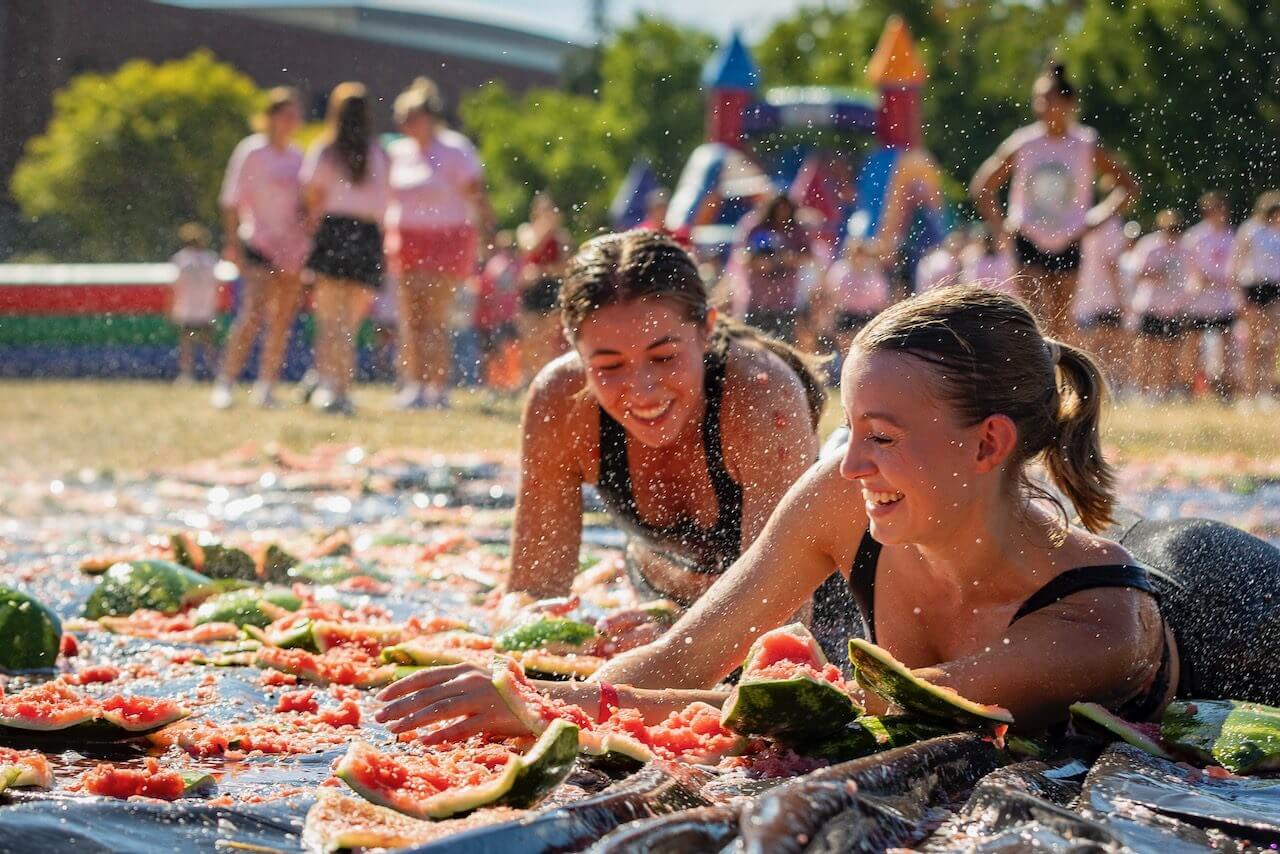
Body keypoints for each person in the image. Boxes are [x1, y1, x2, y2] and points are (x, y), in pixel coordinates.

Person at [377, 285, 1196, 737]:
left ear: (987, 446)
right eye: (849, 430)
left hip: (1209, 583)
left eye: (879, 435)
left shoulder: (1100, 625)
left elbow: (850, 710)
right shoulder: (844, 497)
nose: (848, 462)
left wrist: (567, 707)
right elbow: (680, 659)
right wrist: (534, 702)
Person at [498, 229, 839, 650]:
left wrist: (677, 636)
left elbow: (780, 621)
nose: (642, 390)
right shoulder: (561, 401)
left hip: (822, 615)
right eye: (608, 365)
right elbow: (533, 587)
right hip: (657, 605)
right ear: (576, 352)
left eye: (664, 358)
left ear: (706, 330)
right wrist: (529, 620)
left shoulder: (761, 395)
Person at [970, 61, 1139, 340]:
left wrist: (1096, 219)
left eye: (1047, 99)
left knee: (1061, 324)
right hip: (1028, 238)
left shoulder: (1086, 143)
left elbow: (1129, 186)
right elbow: (982, 187)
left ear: (1067, 102)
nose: (1040, 106)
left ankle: (1061, 380)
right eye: (1037, 99)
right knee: (1033, 322)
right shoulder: (1023, 142)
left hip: (1069, 239)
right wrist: (1000, 228)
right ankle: (1038, 381)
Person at [385, 78, 492, 410]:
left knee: (435, 318)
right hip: (406, 240)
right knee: (411, 317)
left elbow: (477, 195)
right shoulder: (397, 152)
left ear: (429, 117)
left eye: (411, 117)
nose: (405, 125)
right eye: (402, 119)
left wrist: (485, 238)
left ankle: (437, 386)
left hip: (447, 240)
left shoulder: (455, 149)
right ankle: (413, 383)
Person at [211, 87, 308, 409]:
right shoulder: (251, 152)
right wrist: (232, 244)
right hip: (258, 243)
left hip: (293, 249)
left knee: (282, 320)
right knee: (252, 314)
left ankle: (267, 386)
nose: (290, 121)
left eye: (294, 116)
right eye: (284, 114)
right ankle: (226, 381)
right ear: (269, 117)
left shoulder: (299, 158)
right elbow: (231, 200)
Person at [301, 82, 390, 415]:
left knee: (330, 320)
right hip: (367, 236)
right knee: (350, 323)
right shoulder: (379, 153)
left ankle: (329, 385)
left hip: (334, 231)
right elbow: (385, 201)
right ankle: (343, 387)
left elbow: (311, 195)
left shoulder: (325, 150)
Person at [1181, 192, 1238, 398]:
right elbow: (1188, 267)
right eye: (1215, 209)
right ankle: (1187, 385)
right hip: (1199, 300)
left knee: (1226, 343)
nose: (1220, 214)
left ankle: (1223, 385)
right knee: (1193, 343)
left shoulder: (1231, 235)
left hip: (1223, 300)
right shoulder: (1196, 236)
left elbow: (1235, 267)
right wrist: (1203, 280)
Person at [1128, 210, 1189, 399]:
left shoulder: (1184, 249)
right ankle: (1141, 389)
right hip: (1151, 305)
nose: (1174, 233)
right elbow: (1136, 274)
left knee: (1169, 351)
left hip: (1173, 307)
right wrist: (1157, 275)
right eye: (1170, 229)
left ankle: (1163, 391)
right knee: (1146, 349)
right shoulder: (1149, 246)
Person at [515, 193, 573, 385]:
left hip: (551, 287)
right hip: (532, 289)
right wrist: (546, 231)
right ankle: (528, 375)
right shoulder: (526, 230)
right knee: (530, 335)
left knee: (547, 337)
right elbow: (530, 249)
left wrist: (541, 271)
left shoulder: (561, 236)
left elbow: (565, 265)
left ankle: (542, 376)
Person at [736, 192, 808, 343]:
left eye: (786, 209)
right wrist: (760, 262)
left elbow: (808, 256)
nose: (782, 214)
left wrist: (789, 258)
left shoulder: (796, 231)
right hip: (758, 300)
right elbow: (742, 257)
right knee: (754, 346)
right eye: (779, 209)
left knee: (784, 347)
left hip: (784, 301)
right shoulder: (756, 227)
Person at [1230, 191, 1280, 403]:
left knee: (1271, 343)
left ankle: (1267, 390)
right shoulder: (1250, 230)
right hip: (1254, 287)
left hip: (1275, 287)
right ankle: (1249, 393)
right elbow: (1236, 265)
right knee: (1252, 343)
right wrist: (1238, 297)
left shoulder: (1277, 231)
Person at [1072, 213, 1131, 389]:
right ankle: (1108, 383)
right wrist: (1121, 299)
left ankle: (1093, 382)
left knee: (1092, 344)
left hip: (1086, 295)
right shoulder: (1112, 223)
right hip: (1107, 297)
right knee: (1111, 345)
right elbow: (1110, 264)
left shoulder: (1089, 217)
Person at [819, 236, 891, 363]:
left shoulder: (873, 272)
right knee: (845, 348)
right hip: (846, 314)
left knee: (865, 348)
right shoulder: (840, 270)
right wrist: (828, 317)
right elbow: (829, 295)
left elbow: (881, 299)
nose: (859, 258)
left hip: (867, 315)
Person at [169, 223, 221, 383]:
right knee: (208, 343)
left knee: (187, 344)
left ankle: (187, 374)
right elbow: (217, 285)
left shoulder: (180, 259)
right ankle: (216, 372)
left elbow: (174, 286)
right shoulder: (210, 258)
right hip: (204, 308)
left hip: (188, 308)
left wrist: (171, 307)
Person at [472, 230, 522, 392]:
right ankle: (502, 383)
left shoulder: (497, 263)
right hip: (499, 316)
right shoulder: (509, 263)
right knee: (498, 351)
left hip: (495, 316)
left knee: (496, 352)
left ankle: (501, 383)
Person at [959, 225, 1017, 297]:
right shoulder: (1004, 259)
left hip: (986, 301)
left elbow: (970, 283)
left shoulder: (976, 262)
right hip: (1006, 299)